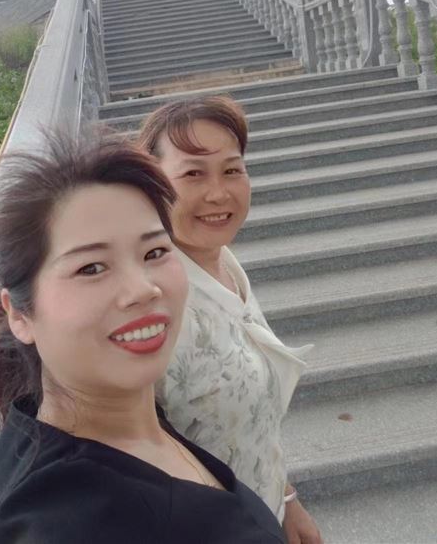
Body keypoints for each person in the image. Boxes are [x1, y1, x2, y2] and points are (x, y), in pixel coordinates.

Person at [0, 133, 285, 543]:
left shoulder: (133, 418)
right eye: (91, 268)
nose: (143, 289)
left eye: (154, 252)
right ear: (19, 314)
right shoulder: (60, 525)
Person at [139, 96, 324, 544]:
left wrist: (286, 498)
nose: (218, 193)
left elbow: (245, 429)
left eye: (232, 170)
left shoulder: (222, 262)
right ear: (153, 184)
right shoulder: (151, 307)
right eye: (193, 174)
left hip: (263, 516)